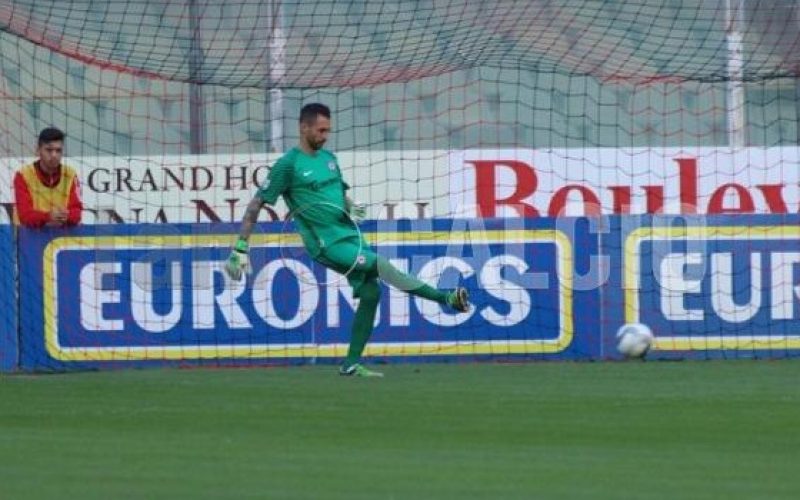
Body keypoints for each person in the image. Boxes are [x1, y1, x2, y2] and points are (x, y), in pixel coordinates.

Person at [226, 103, 469, 377]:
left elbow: (339, 193)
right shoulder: (288, 164)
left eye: (328, 130)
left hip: (350, 234)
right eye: (320, 130)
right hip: (326, 243)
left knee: (371, 293)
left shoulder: (330, 159)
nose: (325, 135)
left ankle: (350, 364)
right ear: (303, 128)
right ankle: (445, 298)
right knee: (382, 265)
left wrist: (350, 205)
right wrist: (240, 248)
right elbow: (256, 205)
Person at [13, 127, 82, 227]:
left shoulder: (70, 175)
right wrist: (48, 216)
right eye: (49, 150)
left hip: (60, 238)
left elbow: (77, 213)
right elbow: (25, 215)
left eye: (58, 150)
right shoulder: (23, 175)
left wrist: (66, 216)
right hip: (29, 238)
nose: (54, 155)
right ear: (38, 150)